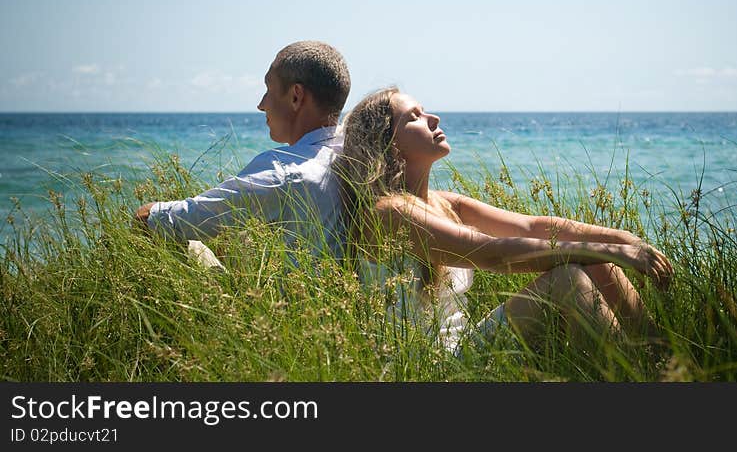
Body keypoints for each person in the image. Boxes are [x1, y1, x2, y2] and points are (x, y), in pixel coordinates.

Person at [335, 87, 673, 356]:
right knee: (570, 274)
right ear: (389, 143)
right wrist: (609, 251)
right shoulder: (389, 212)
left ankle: (663, 364)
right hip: (433, 362)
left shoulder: (443, 202)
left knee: (597, 262)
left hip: (465, 342)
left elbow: (531, 227)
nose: (434, 118)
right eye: (415, 117)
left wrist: (620, 239)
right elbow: (492, 254)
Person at [135, 41, 351, 268]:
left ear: (296, 96)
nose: (261, 104)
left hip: (282, 302)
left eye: (269, 89)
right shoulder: (354, 157)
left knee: (153, 222)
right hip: (341, 297)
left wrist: (147, 214)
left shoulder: (285, 172)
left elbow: (164, 220)